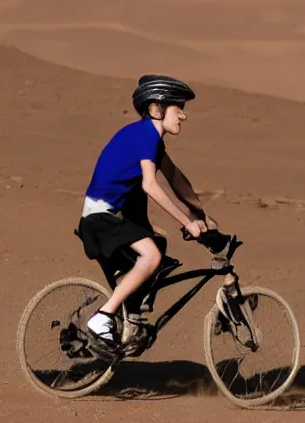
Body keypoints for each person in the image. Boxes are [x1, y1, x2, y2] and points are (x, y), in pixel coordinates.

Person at [76, 74, 230, 353]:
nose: (183, 115)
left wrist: (201, 215)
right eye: (178, 107)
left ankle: (130, 320)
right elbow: (149, 184)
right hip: (101, 219)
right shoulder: (145, 134)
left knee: (158, 248)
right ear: (156, 109)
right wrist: (187, 222)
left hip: (113, 217)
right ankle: (103, 317)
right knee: (152, 255)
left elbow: (176, 179)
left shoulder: (153, 142)